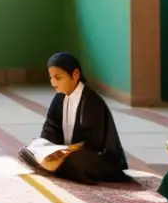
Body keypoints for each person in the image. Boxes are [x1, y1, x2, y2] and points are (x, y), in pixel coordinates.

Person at [19, 52, 129, 184]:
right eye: (51, 78)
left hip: (95, 156)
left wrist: (67, 152)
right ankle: (58, 167)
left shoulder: (92, 102)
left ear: (75, 75)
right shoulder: (59, 98)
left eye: (58, 78)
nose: (53, 83)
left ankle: (56, 168)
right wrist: (48, 149)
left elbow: (96, 143)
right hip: (63, 153)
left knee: (77, 159)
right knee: (27, 151)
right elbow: (51, 127)